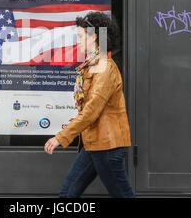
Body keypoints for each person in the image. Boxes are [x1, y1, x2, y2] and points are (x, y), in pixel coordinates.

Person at [44, 12, 135, 198]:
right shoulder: (92, 64)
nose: (77, 41)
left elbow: (91, 111)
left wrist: (60, 137)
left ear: (94, 37)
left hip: (108, 147)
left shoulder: (104, 68)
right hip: (93, 143)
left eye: (80, 36)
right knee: (68, 194)